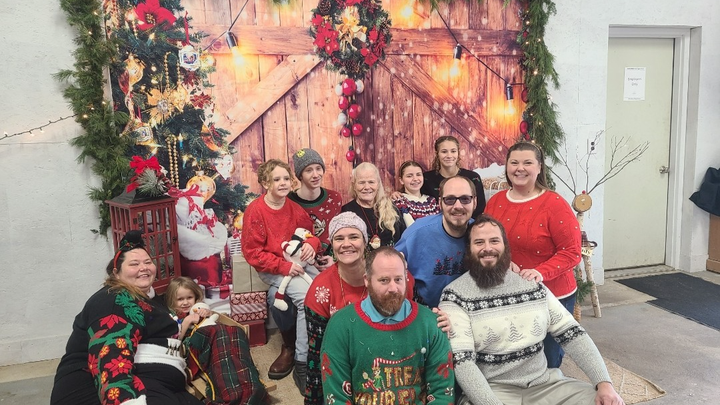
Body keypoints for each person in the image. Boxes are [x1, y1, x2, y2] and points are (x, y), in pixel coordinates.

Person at [439, 215, 624, 405]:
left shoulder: (531, 285)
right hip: (493, 390)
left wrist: (604, 384)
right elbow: (463, 363)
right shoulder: (455, 295)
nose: (488, 248)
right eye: (479, 242)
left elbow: (574, 335)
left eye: (494, 241)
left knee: (607, 402)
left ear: (505, 247)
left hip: (545, 385)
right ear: (469, 249)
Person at [51, 230, 203, 405]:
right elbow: (111, 356)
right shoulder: (114, 300)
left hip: (159, 383)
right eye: (134, 264)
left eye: (148, 262)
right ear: (116, 273)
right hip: (90, 391)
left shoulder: (150, 299)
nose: (143, 267)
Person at [303, 212, 419, 405]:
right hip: (347, 369)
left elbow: (417, 320)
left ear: (365, 242)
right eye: (339, 238)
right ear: (332, 244)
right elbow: (317, 355)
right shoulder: (320, 290)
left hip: (398, 364)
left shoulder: (396, 279)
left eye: (354, 237)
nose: (346, 244)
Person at [485, 141, 582, 368]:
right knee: (516, 360)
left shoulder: (554, 204)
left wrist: (539, 272)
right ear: (507, 167)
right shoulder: (496, 201)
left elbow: (571, 252)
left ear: (539, 167)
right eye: (514, 163)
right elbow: (486, 242)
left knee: (548, 361)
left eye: (527, 163)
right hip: (510, 294)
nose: (520, 168)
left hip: (552, 296)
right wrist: (501, 261)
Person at [320, 247, 455, 405]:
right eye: (384, 280)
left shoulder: (431, 324)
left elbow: (442, 393)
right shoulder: (341, 326)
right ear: (367, 280)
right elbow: (336, 398)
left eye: (398, 279)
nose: (393, 288)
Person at [241, 159, 323, 392]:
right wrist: (283, 267)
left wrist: (312, 244)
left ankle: (323, 346)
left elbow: (309, 233)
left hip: (299, 262)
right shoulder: (256, 211)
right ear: (266, 183)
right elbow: (253, 253)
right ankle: (302, 362)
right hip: (272, 268)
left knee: (324, 289)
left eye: (286, 178)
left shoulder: (294, 208)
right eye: (276, 179)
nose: (283, 183)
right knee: (308, 299)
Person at [265, 148, 343, 381]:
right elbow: (281, 242)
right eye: (309, 170)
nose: (315, 174)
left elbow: (341, 232)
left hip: (329, 262)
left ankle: (327, 343)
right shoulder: (288, 201)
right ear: (299, 176)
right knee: (274, 297)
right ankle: (290, 346)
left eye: (319, 168)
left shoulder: (335, 198)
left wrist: (334, 259)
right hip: (294, 265)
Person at [396, 175, 477, 308]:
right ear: (440, 203)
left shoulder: (480, 235)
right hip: (426, 311)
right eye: (450, 200)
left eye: (465, 199)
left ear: (475, 202)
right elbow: (388, 265)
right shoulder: (417, 233)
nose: (458, 206)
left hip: (468, 310)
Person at [342, 162, 406, 250]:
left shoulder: (392, 209)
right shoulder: (346, 212)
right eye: (361, 182)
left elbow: (404, 241)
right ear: (354, 185)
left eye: (371, 182)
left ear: (378, 184)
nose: (367, 187)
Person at [421, 135, 486, 218]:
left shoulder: (473, 178)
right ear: (437, 154)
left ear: (458, 153)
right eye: (444, 152)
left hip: (468, 223)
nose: (449, 155)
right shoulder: (426, 179)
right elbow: (416, 200)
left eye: (453, 151)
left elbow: (479, 210)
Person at [393, 160, 440, 227]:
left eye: (418, 174)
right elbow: (411, 228)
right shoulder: (399, 201)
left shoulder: (432, 201)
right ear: (401, 180)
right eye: (409, 176)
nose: (415, 179)